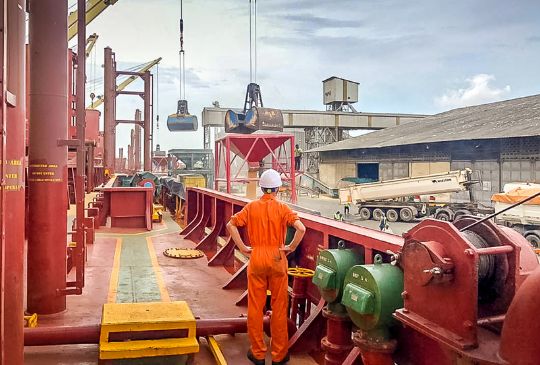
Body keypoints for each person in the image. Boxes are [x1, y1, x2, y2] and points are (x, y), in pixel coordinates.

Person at [227, 169, 306, 365]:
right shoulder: (282, 208)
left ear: (262, 188)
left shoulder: (251, 207)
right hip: (277, 257)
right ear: (277, 188)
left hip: (257, 257)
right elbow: (301, 228)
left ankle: (258, 353)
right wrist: (291, 247)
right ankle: (279, 356)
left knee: (255, 307)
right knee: (279, 308)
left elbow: (231, 225)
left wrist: (243, 247)